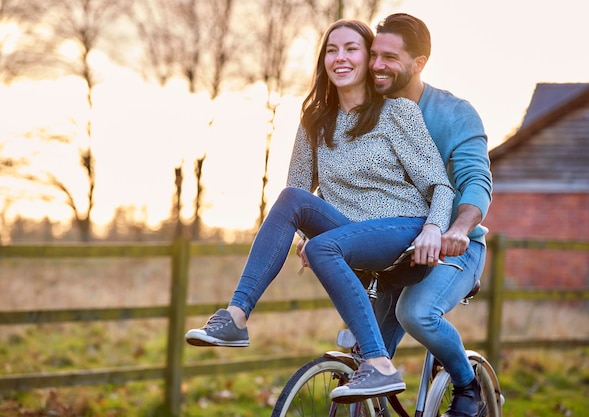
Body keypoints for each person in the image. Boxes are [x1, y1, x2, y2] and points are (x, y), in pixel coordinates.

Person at [185, 19, 455, 403]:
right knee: (291, 199)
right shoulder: (315, 119)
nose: (340, 57)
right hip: (351, 233)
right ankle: (236, 317)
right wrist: (303, 234)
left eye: (351, 49)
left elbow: (439, 184)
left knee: (322, 248)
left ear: (368, 60)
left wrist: (433, 229)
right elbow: (296, 195)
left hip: (405, 231)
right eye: (332, 49)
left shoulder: (397, 113)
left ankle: (379, 364)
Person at [369, 13, 493, 417]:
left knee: (415, 312)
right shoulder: (367, 110)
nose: (376, 66)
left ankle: (467, 385)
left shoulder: (454, 113)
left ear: (419, 62)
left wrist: (457, 228)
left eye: (389, 56)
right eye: (373, 55)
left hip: (453, 249)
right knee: (366, 359)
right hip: (392, 249)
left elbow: (476, 181)